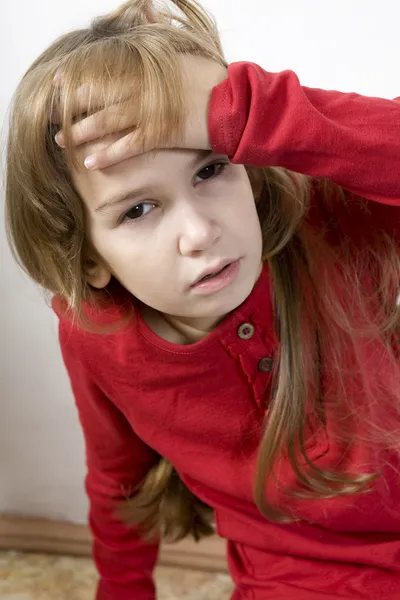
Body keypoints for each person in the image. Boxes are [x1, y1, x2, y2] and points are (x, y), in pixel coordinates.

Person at [4, 0, 400, 598]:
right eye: (138, 209)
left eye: (210, 170)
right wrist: (124, 588)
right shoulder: (96, 334)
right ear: (88, 258)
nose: (199, 233)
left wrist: (247, 107)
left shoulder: (325, 223)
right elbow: (119, 480)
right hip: (295, 575)